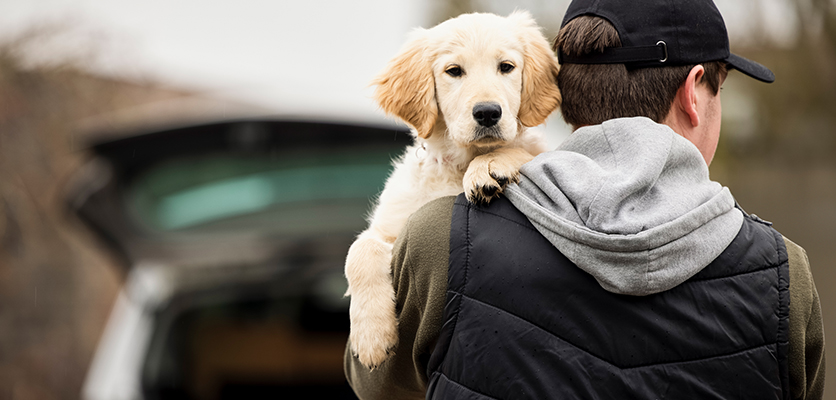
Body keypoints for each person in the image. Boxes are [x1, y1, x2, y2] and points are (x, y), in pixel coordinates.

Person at [344, 0, 826, 398]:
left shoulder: (439, 239)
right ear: (694, 94)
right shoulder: (785, 273)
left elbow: (377, 384)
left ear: (557, 93)